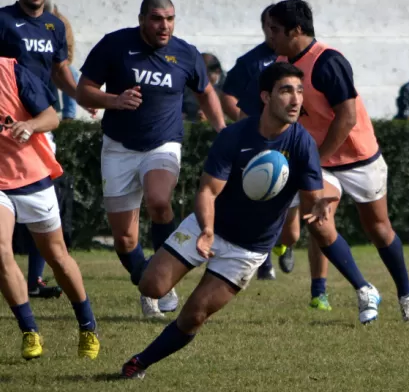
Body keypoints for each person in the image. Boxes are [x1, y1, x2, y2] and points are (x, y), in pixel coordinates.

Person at [119, 62, 380, 378]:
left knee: (194, 316)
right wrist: (206, 231)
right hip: (208, 226)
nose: (296, 99)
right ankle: (143, 260)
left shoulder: (302, 144)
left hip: (249, 249)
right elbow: (207, 192)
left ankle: (140, 362)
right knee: (152, 286)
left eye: (300, 91)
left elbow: (311, 200)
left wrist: (320, 204)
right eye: (286, 91)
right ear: (266, 96)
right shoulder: (236, 135)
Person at [270, 0, 409, 324]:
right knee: (319, 222)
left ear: (296, 30)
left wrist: (318, 157)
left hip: (359, 157)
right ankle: (364, 288)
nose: (270, 36)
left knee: (379, 230)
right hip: (323, 161)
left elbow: (347, 117)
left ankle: (407, 295)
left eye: (275, 30)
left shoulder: (328, 62)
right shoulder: (282, 60)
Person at [76, 0, 227, 318]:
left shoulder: (185, 53)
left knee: (159, 201)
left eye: (170, 19)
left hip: (163, 144)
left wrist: (222, 131)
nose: (165, 26)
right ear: (142, 18)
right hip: (118, 148)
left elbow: (205, 93)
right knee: (125, 238)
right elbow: (83, 89)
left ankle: (164, 276)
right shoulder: (115, 45)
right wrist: (115, 100)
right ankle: (149, 286)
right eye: (158, 19)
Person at [0, 56, 99, 360]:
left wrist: (29, 126)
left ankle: (87, 326)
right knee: (1, 251)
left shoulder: (12, 71)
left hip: (32, 176)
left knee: (56, 256)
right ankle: (30, 332)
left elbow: (52, 118)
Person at [0, 0, 95, 299]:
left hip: (40, 123)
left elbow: (59, 70)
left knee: (41, 207)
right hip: (8, 127)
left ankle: (34, 280)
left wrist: (81, 96)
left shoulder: (54, 25)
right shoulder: (3, 20)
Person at [220, 5, 298, 277]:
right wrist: (247, 125)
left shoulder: (297, 59)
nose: (273, 32)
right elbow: (228, 96)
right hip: (260, 143)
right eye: (269, 26)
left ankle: (287, 243)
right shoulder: (250, 62)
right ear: (264, 27)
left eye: (278, 27)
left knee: (291, 215)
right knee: (258, 196)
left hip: (290, 142)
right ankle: (263, 261)